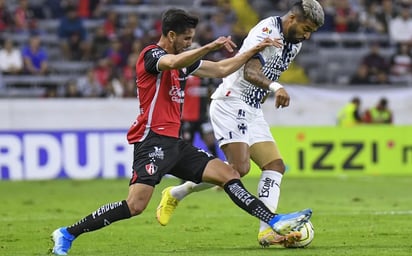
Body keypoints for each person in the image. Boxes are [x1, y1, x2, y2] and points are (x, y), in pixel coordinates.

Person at [50, 8, 312, 255]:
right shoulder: (151, 55)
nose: (189, 43)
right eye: (186, 39)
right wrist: (209, 47)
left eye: (193, 39)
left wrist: (253, 50)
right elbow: (173, 62)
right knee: (135, 206)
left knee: (230, 174)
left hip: (175, 144)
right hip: (151, 141)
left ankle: (273, 221)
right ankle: (67, 233)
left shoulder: (184, 61)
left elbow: (221, 69)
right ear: (171, 35)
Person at [156, 0, 324, 248]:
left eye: (311, 32)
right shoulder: (267, 30)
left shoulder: (294, 43)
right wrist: (276, 87)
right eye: (306, 28)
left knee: (275, 165)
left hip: (252, 109)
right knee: (239, 169)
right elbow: (250, 72)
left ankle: (267, 231)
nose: (307, 36)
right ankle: (175, 193)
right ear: (293, 19)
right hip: (231, 103)